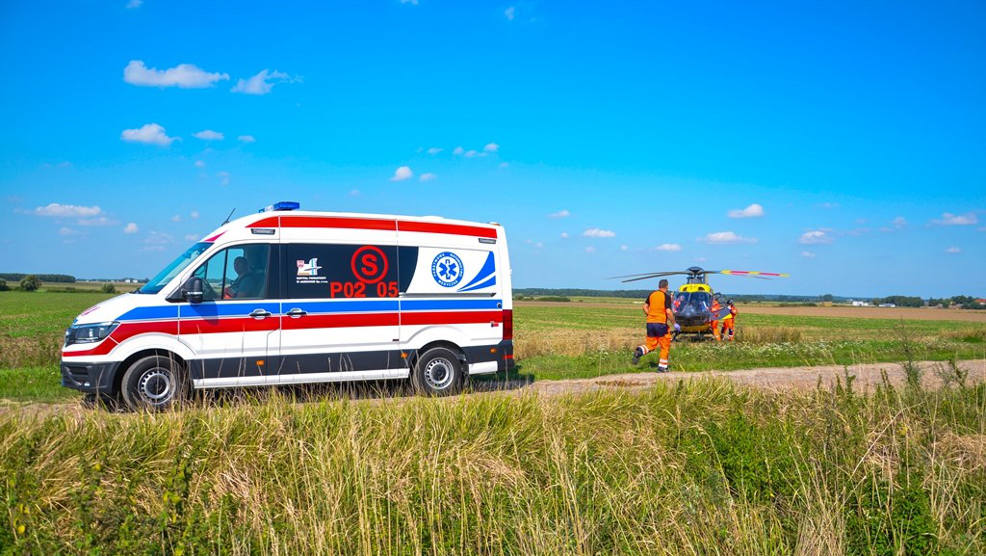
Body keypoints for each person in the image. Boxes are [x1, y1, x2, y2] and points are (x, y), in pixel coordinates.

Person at [632, 278, 675, 372]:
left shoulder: (652, 294)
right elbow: (668, 311)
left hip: (650, 323)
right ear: (667, 286)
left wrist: (649, 314)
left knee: (651, 345)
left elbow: (644, 306)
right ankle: (662, 367)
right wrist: (674, 323)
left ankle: (639, 351)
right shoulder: (666, 296)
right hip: (661, 324)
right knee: (665, 345)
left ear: (659, 286)